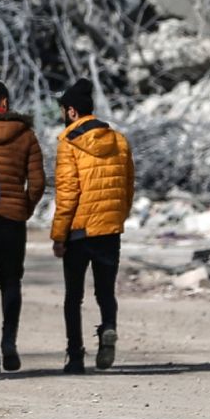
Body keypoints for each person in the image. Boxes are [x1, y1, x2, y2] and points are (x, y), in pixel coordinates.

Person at [50, 78, 134, 374]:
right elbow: (127, 188)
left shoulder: (68, 143)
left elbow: (68, 193)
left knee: (74, 297)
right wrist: (117, 219)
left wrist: (59, 235)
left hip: (78, 232)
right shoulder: (119, 141)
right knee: (105, 291)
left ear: (72, 112)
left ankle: (75, 357)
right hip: (109, 231)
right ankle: (108, 328)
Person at [0, 78, 47, 375]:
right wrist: (24, 207)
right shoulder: (25, 134)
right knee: (11, 284)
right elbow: (38, 182)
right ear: (4, 103)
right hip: (13, 222)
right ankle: (9, 343)